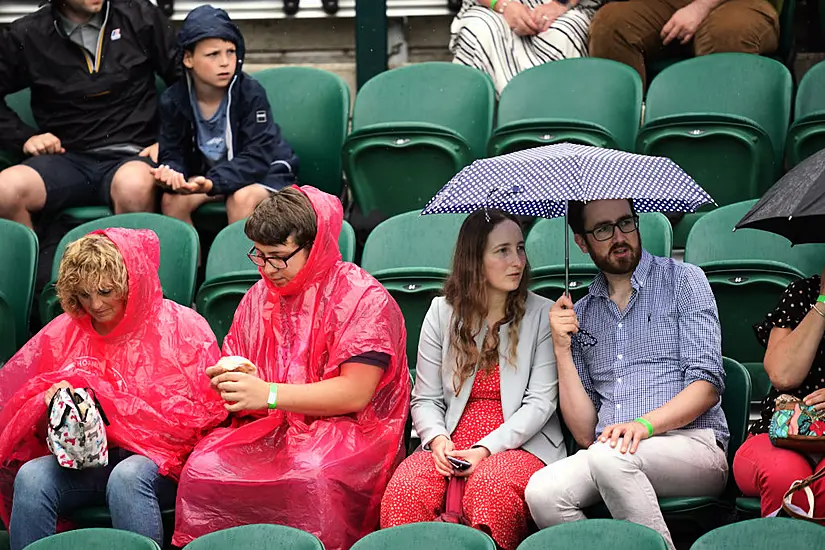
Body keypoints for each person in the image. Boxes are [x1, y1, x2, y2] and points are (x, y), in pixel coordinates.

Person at [171, 186, 410, 550]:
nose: (267, 269)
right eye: (260, 256)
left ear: (315, 247)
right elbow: (241, 361)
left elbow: (355, 394)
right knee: (202, 468)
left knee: (309, 472)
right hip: (271, 429)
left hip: (352, 434)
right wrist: (229, 381)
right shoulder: (260, 295)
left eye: (279, 257)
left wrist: (267, 394)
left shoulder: (363, 298)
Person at [0, 229, 227, 550]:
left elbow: (204, 416)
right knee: (32, 477)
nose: (95, 304)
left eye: (106, 291)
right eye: (83, 295)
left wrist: (125, 418)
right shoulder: (64, 332)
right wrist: (50, 403)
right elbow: (28, 427)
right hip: (88, 459)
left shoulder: (181, 327)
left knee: (128, 477)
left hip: (161, 462)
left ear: (130, 282)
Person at [524, 199, 729, 550]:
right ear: (581, 242)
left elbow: (707, 386)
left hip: (693, 446)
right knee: (542, 492)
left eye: (626, 223)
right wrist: (561, 348)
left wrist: (643, 425)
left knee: (610, 458)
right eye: (603, 229)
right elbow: (587, 433)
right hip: (612, 451)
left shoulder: (683, 280)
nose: (620, 236)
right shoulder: (581, 313)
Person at [380, 210, 564, 550]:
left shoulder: (543, 313)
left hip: (520, 442)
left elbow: (540, 404)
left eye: (520, 249)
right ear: (475, 260)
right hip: (451, 438)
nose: (518, 261)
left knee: (491, 488)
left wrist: (484, 449)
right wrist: (436, 440)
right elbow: (425, 398)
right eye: (503, 251)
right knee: (406, 488)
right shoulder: (441, 312)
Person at [0, 0, 179, 229]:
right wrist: (24, 137)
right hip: (66, 157)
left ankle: (130, 265)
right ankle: (38, 262)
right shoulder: (28, 34)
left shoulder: (139, 16)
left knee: (133, 187)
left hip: (134, 153)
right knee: (5, 190)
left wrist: (167, 141)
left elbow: (186, 81)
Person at [155, 5, 299, 226]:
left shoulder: (250, 93)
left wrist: (213, 182)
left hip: (264, 173)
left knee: (241, 199)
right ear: (188, 59)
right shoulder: (173, 100)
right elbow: (172, 152)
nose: (225, 62)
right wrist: (172, 173)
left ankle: (239, 261)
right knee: (173, 201)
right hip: (212, 178)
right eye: (213, 54)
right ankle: (194, 261)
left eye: (230, 52)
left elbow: (257, 157)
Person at [733, 272, 825, 517]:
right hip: (779, 435)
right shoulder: (802, 293)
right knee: (783, 475)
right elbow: (783, 376)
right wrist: (823, 302)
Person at [588, 0, 779, 89]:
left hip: (742, 3)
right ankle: (622, 145)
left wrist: (700, 7)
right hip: (666, 4)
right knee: (611, 25)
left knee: (726, 34)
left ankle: (720, 141)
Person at [451, 0, 602, 95]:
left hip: (568, 6)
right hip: (492, 5)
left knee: (563, 34)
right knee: (479, 31)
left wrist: (560, 4)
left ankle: (559, 133)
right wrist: (502, 4)